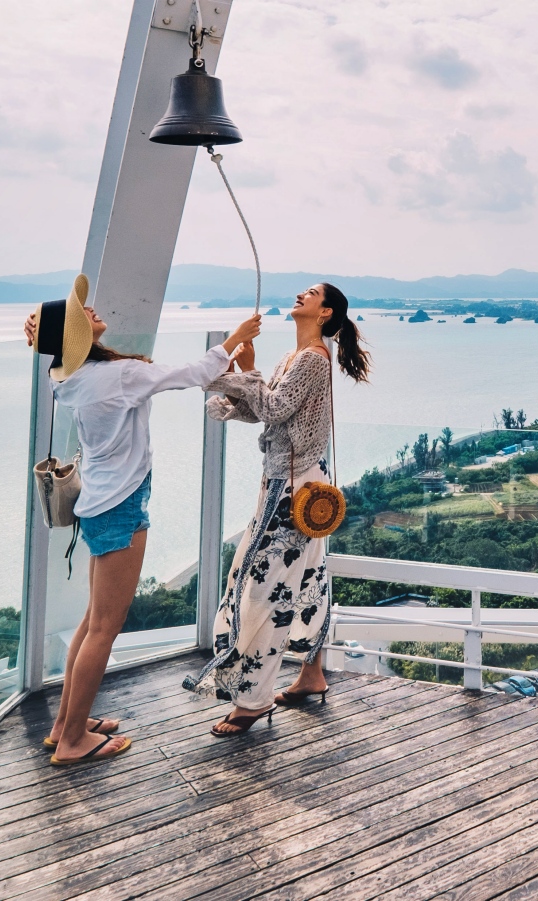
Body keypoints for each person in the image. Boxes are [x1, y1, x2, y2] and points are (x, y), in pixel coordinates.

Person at [24, 274, 262, 765]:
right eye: (80, 315)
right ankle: (71, 744)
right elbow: (191, 374)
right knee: (104, 629)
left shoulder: (65, 377)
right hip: (120, 506)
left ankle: (66, 723)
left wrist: (43, 331)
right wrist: (236, 340)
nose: (91, 313)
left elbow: (63, 356)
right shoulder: (117, 376)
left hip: (98, 504)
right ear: (75, 336)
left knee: (93, 621)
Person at [188, 282, 371, 736]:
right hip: (297, 483)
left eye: (310, 294)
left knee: (261, 589)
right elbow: (272, 410)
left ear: (325, 312)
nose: (300, 295)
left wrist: (236, 374)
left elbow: (273, 406)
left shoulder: (311, 358)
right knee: (306, 577)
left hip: (291, 491)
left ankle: (253, 700)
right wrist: (245, 384)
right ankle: (311, 675)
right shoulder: (297, 357)